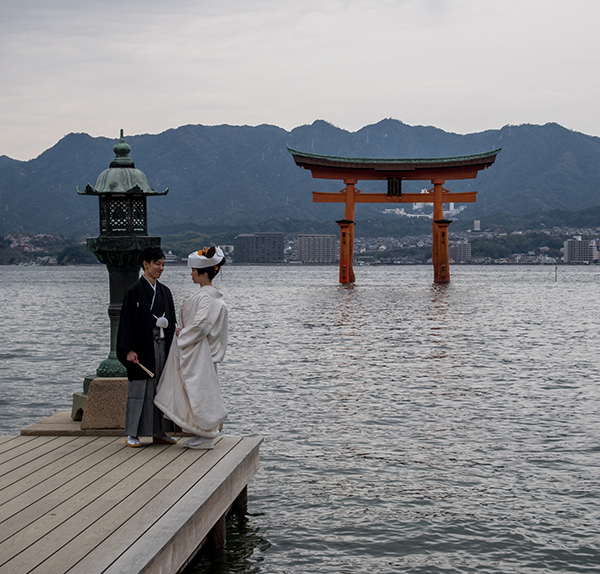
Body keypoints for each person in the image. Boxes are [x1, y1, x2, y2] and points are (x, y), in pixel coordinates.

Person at [155, 246, 228, 450]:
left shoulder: (206, 296)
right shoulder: (209, 295)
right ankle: (202, 431)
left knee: (198, 389)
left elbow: (202, 325)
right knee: (198, 389)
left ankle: (207, 432)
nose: (191, 274)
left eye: (194, 271)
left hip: (197, 350)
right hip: (198, 349)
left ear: (203, 273)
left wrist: (182, 334)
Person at [117, 246, 179, 447]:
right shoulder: (134, 292)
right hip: (142, 346)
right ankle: (133, 433)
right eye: (157, 264)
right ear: (145, 264)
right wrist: (128, 349)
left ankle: (159, 431)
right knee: (140, 388)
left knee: (162, 386)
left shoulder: (165, 292)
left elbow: (172, 320)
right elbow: (127, 322)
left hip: (162, 343)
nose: (161, 268)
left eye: (163, 264)